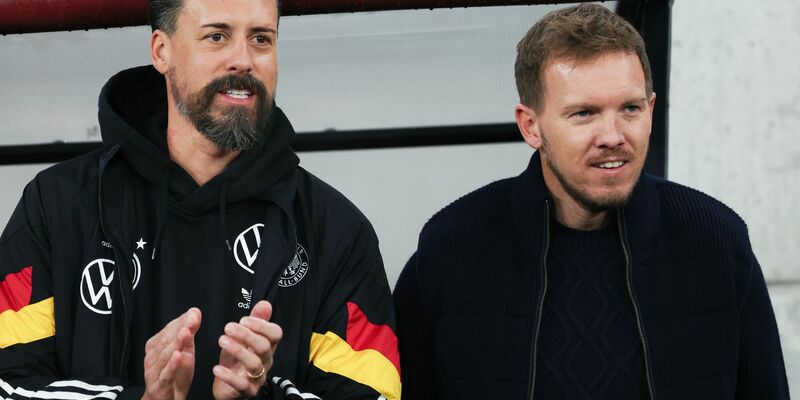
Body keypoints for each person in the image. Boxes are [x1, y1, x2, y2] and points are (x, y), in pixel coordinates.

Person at [0, 0, 401, 399]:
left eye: (261, 38)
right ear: (162, 51)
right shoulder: (58, 206)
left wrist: (257, 396)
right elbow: (8, 382)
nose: (242, 60)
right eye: (217, 36)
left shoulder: (336, 231)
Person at [393, 4, 788, 399]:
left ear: (651, 109)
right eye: (584, 113)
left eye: (630, 108)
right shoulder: (453, 248)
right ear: (531, 126)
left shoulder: (715, 240)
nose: (613, 135)